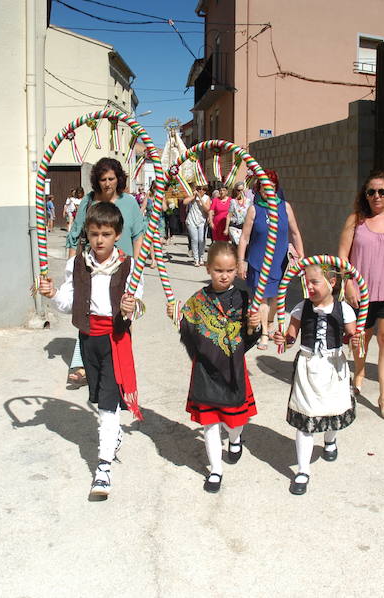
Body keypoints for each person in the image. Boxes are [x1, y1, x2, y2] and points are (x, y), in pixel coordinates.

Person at [39, 202, 144, 500]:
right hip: (88, 340)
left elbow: (138, 303)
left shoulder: (128, 265)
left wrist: (131, 306)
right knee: (99, 399)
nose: (100, 240)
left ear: (117, 235)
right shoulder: (78, 264)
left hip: (115, 340)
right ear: (87, 232)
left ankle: (103, 468)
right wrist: (52, 295)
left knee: (108, 405)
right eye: (95, 233)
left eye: (107, 234)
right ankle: (114, 435)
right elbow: (68, 302)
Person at [168, 242, 262, 493]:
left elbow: (248, 338)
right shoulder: (198, 301)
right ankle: (215, 470)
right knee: (210, 424)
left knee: (234, 421)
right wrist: (177, 316)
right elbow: (188, 330)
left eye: (230, 270)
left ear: (236, 270)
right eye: (219, 270)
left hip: (233, 370)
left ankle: (235, 438)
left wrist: (255, 326)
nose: (224, 275)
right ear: (209, 269)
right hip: (206, 371)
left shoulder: (244, 297)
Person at [272, 264, 360, 496]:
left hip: (334, 365)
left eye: (314, 282)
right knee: (306, 417)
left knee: (333, 408)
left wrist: (354, 340)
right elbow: (291, 337)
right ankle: (303, 470)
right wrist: (283, 338)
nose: (309, 287)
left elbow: (352, 338)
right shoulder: (302, 308)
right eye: (306, 282)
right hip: (308, 364)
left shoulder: (345, 310)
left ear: (332, 282)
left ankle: (330, 441)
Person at [337, 171, 384, 420]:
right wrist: (348, 285)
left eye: (382, 191)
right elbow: (342, 257)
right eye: (372, 192)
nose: (377, 196)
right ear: (366, 195)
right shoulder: (355, 220)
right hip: (361, 292)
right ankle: (359, 371)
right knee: (361, 339)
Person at [64, 160, 145, 387]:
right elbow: (75, 234)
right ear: (96, 181)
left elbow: (139, 234)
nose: (108, 184)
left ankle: (118, 366)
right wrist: (72, 266)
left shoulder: (129, 202)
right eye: (103, 179)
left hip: (122, 269)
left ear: (119, 179)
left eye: (111, 179)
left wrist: (137, 267)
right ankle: (83, 365)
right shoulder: (89, 201)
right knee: (87, 313)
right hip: (93, 267)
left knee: (122, 319)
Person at [237, 170, 305, 350]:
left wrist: (301, 257)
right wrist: (241, 261)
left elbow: (295, 233)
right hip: (258, 260)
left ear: (276, 188)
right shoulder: (254, 209)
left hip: (279, 261)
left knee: (276, 297)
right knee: (261, 299)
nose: (267, 192)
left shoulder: (285, 207)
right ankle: (265, 333)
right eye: (264, 188)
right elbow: (244, 237)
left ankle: (268, 321)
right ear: (258, 189)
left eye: (271, 188)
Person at [184, 184, 210, 266]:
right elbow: (185, 202)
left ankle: (201, 257)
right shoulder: (193, 197)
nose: (200, 191)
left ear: (205, 190)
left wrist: (201, 200)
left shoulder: (207, 198)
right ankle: (196, 259)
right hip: (191, 220)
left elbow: (207, 209)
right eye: (198, 189)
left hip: (201, 221)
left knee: (201, 240)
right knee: (194, 239)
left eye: (202, 189)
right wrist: (194, 197)